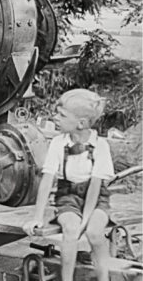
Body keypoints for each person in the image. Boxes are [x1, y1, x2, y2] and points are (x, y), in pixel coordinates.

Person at [23, 89, 114, 281]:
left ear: (81, 123)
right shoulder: (58, 143)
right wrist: (37, 216)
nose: (55, 118)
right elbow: (47, 180)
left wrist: (86, 219)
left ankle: (104, 277)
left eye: (62, 115)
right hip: (68, 197)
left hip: (96, 199)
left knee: (94, 232)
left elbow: (96, 186)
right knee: (70, 230)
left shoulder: (100, 145)